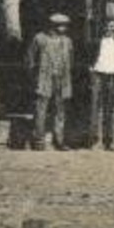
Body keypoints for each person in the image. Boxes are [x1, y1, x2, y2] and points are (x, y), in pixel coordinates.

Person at [26, 14, 75, 151]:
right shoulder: (40, 38)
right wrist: (34, 77)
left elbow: (71, 61)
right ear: (53, 25)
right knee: (41, 109)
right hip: (44, 78)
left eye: (65, 25)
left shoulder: (67, 41)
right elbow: (30, 59)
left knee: (60, 110)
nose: (64, 28)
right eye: (61, 25)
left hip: (62, 79)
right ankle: (39, 140)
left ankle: (59, 140)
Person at [88, 18, 114, 151]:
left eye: (112, 27)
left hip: (112, 76)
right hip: (99, 74)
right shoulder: (97, 41)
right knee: (95, 108)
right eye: (108, 26)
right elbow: (90, 57)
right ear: (103, 27)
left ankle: (108, 141)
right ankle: (94, 140)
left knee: (109, 109)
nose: (110, 29)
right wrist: (91, 68)